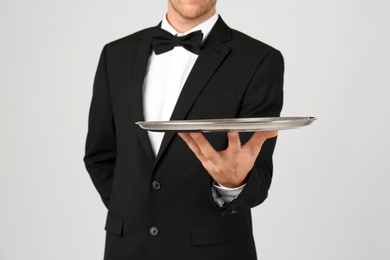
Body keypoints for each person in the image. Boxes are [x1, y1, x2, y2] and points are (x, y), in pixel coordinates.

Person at [84, 0, 284, 259]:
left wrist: (232, 183)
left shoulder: (260, 60)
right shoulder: (115, 54)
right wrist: (133, 213)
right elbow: (100, 155)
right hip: (128, 249)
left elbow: (258, 176)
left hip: (215, 251)